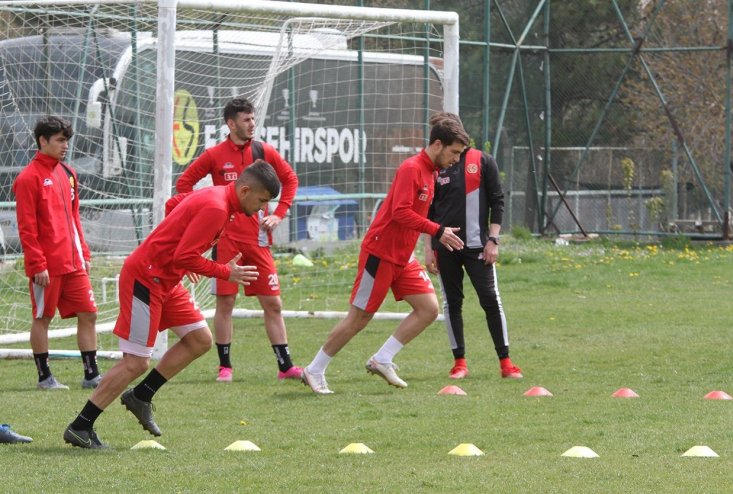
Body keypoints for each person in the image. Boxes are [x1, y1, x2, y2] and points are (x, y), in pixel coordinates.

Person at [63, 162, 281, 449]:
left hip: (167, 280)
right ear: (244, 189)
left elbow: (173, 204)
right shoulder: (217, 207)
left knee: (199, 340)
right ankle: (80, 426)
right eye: (262, 200)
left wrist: (183, 247)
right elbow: (183, 256)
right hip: (146, 278)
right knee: (136, 362)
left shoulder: (219, 196)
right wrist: (222, 270)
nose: (263, 208)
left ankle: (141, 396)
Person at [301, 116, 469, 394]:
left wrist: (429, 242)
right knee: (359, 319)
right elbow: (400, 212)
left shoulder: (432, 172)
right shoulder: (411, 168)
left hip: (403, 257)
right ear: (438, 145)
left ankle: (382, 358)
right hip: (380, 254)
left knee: (428, 308)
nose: (456, 159)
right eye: (454, 153)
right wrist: (438, 231)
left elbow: (420, 215)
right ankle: (314, 370)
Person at [176, 98, 301, 383]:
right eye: (246, 120)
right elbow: (184, 184)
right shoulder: (214, 155)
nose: (252, 124)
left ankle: (286, 366)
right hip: (226, 240)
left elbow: (290, 180)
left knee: (273, 303)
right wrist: (203, 211)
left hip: (258, 240)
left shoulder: (264, 151)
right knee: (226, 302)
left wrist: (279, 214)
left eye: (253, 119)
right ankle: (225, 367)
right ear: (231, 124)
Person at [423, 113, 522, 380]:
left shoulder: (482, 161)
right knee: (451, 303)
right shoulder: (436, 165)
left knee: (490, 300)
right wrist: (428, 246)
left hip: (479, 247)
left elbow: (497, 200)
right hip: (445, 248)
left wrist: (493, 240)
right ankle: (460, 363)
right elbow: (428, 210)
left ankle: (506, 362)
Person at [12, 116, 101, 390]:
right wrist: (37, 263)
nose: (65, 146)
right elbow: (27, 227)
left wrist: (83, 251)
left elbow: (75, 218)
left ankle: (91, 375)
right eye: (60, 140)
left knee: (89, 313)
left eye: (67, 140)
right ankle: (44, 377)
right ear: (43, 141)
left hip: (74, 262)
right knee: (43, 318)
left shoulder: (69, 174)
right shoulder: (28, 178)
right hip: (46, 266)